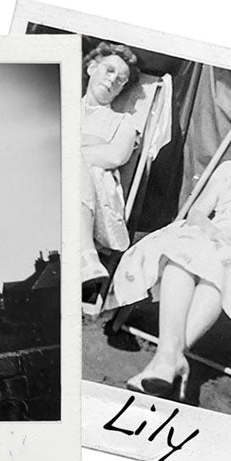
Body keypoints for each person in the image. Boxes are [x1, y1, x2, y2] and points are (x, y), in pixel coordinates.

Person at [104, 99, 231, 400]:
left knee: (220, 266)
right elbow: (198, 213)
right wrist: (215, 231)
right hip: (214, 234)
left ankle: (165, 360)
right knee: (180, 257)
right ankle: (170, 360)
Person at [80, 42, 141, 285]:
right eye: (109, 70)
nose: (114, 80)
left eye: (122, 80)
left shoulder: (123, 121)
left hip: (99, 201)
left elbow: (115, 156)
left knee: (72, 163)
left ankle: (85, 257)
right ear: (91, 67)